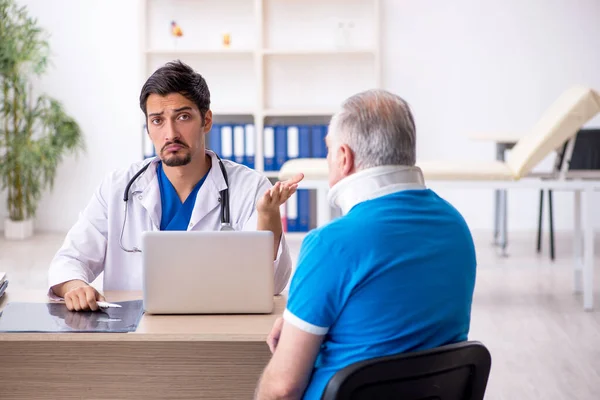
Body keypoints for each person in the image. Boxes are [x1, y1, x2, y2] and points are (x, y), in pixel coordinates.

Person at [254, 89, 477, 400]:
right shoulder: (456, 227)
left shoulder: (330, 244)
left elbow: (281, 390)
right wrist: (303, 328)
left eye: (329, 150)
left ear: (344, 158)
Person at [48, 60, 301, 311]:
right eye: (157, 120)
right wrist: (75, 287)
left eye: (183, 117)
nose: (170, 133)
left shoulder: (249, 187)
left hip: (217, 330)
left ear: (207, 120)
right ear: (148, 128)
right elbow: (69, 260)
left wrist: (268, 215)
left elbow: (271, 285)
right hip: (134, 333)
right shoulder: (117, 188)